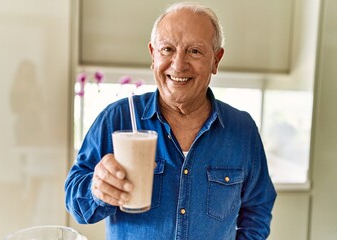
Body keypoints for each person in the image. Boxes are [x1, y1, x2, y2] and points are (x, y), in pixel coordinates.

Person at [65, 2, 277, 239]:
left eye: (194, 51)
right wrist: (97, 189)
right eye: (167, 49)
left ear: (216, 60)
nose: (178, 64)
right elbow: (76, 204)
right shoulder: (116, 118)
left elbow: (258, 208)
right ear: (152, 55)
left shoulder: (243, 129)